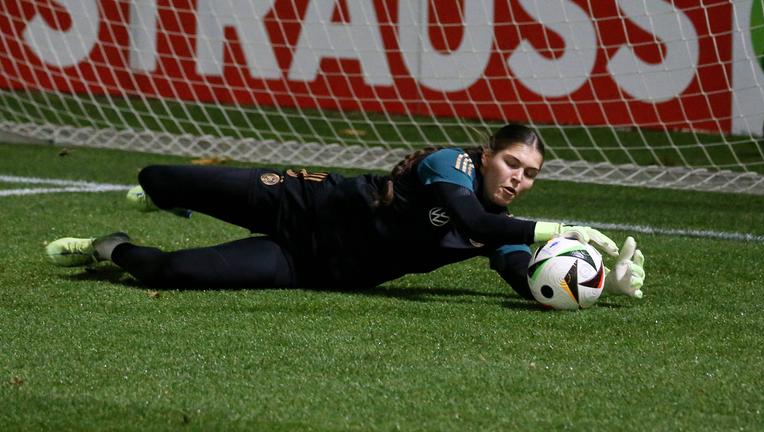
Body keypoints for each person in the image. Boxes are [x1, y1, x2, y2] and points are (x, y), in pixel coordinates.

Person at [45, 124, 645, 301]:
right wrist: (563, 229)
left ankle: (106, 247)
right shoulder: (447, 167)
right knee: (157, 175)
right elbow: (479, 224)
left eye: (531, 174)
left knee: (173, 274)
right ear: (486, 156)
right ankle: (162, 197)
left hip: (304, 263)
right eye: (512, 163)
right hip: (300, 200)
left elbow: (522, 271)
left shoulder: (496, 229)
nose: (518, 178)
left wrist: (591, 279)